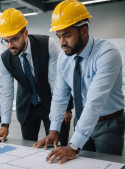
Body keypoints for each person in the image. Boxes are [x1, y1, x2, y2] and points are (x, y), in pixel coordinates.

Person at [33, 0, 124, 165]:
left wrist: (74, 145)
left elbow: (95, 101)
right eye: (59, 36)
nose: (61, 42)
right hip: (81, 121)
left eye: (67, 35)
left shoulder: (107, 54)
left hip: (108, 124)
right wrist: (54, 130)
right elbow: (60, 96)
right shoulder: (63, 58)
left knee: (105, 165)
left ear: (84, 31)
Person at [0, 8, 74, 145]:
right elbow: (6, 92)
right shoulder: (5, 59)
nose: (10, 45)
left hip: (51, 102)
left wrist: (64, 108)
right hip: (27, 107)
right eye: (6, 40)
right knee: (28, 148)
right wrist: (4, 124)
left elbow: (56, 79)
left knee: (57, 146)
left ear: (25, 33)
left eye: (14, 39)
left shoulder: (47, 44)